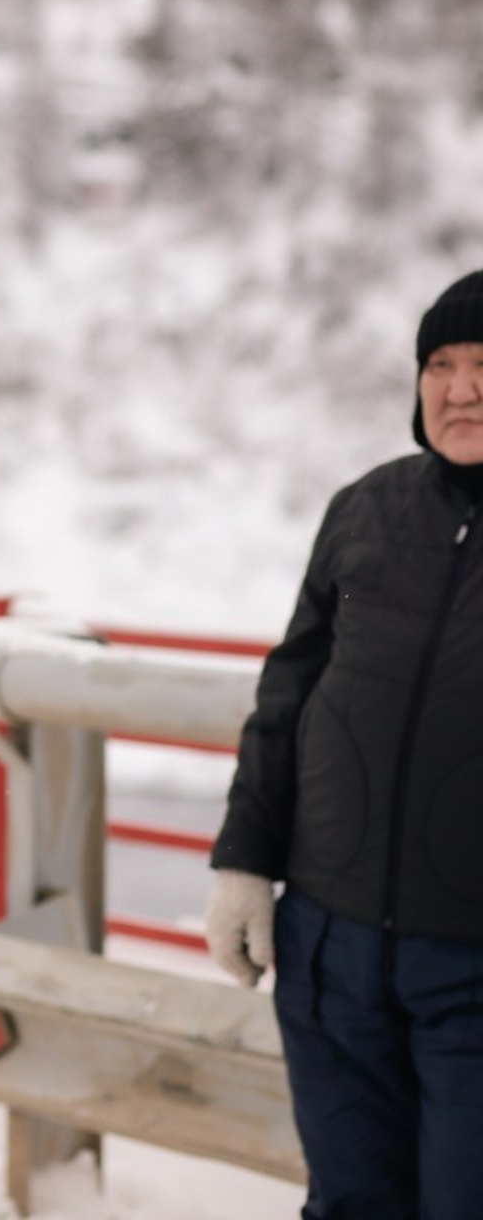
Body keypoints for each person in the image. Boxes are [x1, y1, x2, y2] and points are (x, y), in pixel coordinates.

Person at [205, 269, 483, 1220]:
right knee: (350, 1203)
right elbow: (288, 695)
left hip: (473, 973)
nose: (460, 389)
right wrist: (244, 861)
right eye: (439, 364)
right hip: (331, 953)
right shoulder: (364, 509)